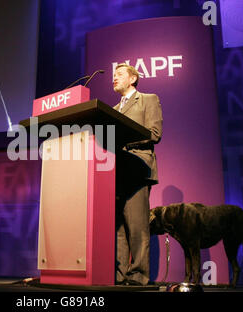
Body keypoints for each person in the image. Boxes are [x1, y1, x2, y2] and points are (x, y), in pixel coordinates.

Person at [112, 63, 163, 285]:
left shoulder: (148, 99)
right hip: (115, 173)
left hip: (137, 169)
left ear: (132, 79)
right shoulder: (112, 110)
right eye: (113, 75)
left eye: (119, 74)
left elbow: (154, 133)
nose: (114, 78)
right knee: (118, 229)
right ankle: (119, 274)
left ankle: (138, 276)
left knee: (137, 227)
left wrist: (123, 140)